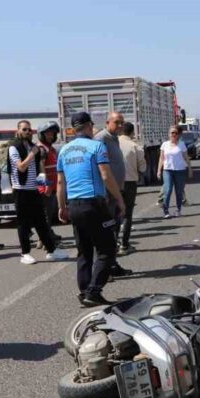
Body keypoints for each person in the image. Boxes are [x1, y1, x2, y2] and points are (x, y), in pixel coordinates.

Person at [57, 111, 125, 307]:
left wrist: (62, 207)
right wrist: (119, 199)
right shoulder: (97, 146)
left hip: (74, 204)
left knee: (84, 251)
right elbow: (105, 175)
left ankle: (85, 291)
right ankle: (94, 291)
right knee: (107, 249)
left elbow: (60, 182)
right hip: (93, 204)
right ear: (88, 126)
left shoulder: (64, 150)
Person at [9, 120, 69, 264]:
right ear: (18, 131)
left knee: (41, 221)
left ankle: (51, 250)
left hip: (34, 190)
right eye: (24, 130)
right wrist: (31, 154)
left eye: (29, 130)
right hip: (21, 190)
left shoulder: (33, 147)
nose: (27, 132)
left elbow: (39, 169)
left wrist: (45, 185)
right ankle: (25, 253)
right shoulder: (14, 147)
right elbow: (21, 167)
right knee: (23, 223)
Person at [93, 112, 133, 278]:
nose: (120, 125)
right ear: (108, 122)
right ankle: (103, 271)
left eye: (122, 123)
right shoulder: (101, 138)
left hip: (116, 190)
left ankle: (112, 264)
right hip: (107, 194)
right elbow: (99, 168)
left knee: (114, 231)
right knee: (105, 233)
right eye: (117, 122)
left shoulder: (114, 137)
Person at [118, 121, 147, 254]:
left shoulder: (112, 143)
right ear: (132, 132)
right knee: (127, 214)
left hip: (113, 183)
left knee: (114, 213)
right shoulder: (135, 146)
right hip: (129, 183)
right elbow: (142, 167)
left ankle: (113, 243)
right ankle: (124, 244)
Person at [36, 120, 65, 246]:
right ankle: (43, 240)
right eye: (48, 134)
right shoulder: (41, 149)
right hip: (46, 187)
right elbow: (40, 167)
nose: (51, 136)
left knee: (49, 213)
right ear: (41, 134)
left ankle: (47, 234)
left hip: (53, 186)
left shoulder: (51, 149)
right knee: (45, 215)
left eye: (52, 134)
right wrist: (45, 185)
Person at [158, 125, 192, 219]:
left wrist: (190, 168)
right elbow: (161, 158)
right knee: (167, 189)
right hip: (167, 170)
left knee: (179, 191)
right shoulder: (164, 144)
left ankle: (178, 209)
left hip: (180, 171)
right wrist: (158, 171)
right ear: (169, 134)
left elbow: (186, 157)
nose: (174, 134)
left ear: (178, 135)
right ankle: (166, 210)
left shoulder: (181, 144)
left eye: (175, 133)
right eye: (172, 133)